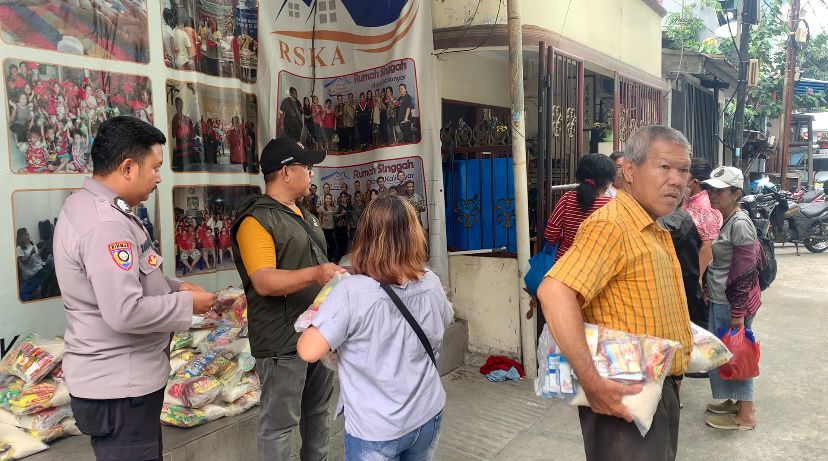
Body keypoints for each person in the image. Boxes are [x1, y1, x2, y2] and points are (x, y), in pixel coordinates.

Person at [52, 116, 216, 461]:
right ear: (128, 167)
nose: (158, 177)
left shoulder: (90, 206)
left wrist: (174, 286)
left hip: (118, 385)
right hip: (120, 390)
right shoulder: (106, 225)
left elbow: (130, 278)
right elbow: (124, 311)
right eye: (155, 167)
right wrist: (186, 304)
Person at [537, 126, 693, 461]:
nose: (677, 180)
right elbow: (554, 292)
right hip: (623, 398)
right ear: (630, 171)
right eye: (664, 167)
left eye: (683, 170)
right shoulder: (612, 225)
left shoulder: (650, 225)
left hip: (654, 389)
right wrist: (591, 381)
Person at [297, 195, 453, 461]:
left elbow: (308, 350)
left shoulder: (350, 291)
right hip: (428, 412)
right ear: (414, 236)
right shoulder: (431, 282)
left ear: (366, 238)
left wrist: (320, 306)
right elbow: (445, 321)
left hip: (376, 429)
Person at [230, 138, 342, 460]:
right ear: (285, 172)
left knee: (318, 412)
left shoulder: (305, 215)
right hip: (282, 342)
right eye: (306, 166)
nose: (311, 173)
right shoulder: (256, 220)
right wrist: (315, 274)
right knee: (280, 425)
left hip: (316, 333)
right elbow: (263, 280)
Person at [703, 166, 761, 431]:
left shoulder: (739, 224)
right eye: (711, 189)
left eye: (720, 190)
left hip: (731, 304)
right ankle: (737, 403)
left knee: (738, 353)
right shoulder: (728, 218)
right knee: (725, 354)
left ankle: (746, 414)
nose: (712, 194)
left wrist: (738, 313)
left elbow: (745, 273)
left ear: (736, 193)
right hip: (723, 299)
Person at [543, 153, 615, 260]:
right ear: (608, 181)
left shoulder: (567, 198)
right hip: (597, 262)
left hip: (565, 261)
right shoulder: (611, 205)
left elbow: (550, 234)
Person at [685, 158, 723, 289]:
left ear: (695, 182)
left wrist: (698, 277)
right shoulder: (688, 200)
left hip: (698, 268)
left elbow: (708, 245)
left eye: (685, 173)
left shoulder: (705, 207)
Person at [171, 97, 195, 171]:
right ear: (175, 106)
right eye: (178, 104)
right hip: (180, 152)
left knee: (191, 170)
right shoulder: (175, 119)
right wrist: (177, 124)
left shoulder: (187, 119)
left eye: (181, 104)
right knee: (182, 170)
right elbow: (173, 135)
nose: (180, 106)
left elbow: (193, 135)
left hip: (189, 150)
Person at [334, 194, 352, 262]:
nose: (343, 198)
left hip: (345, 228)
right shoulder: (338, 206)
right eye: (342, 197)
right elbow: (335, 216)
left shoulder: (348, 206)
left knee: (345, 245)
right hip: (339, 228)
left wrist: (348, 225)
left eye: (344, 196)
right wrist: (342, 214)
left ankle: (343, 261)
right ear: (340, 198)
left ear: (346, 198)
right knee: (339, 245)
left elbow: (349, 217)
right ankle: (338, 260)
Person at [319, 193, 336, 260]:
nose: (328, 200)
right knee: (326, 245)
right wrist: (320, 228)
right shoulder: (321, 208)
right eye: (327, 198)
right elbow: (319, 218)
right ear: (324, 199)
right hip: (324, 229)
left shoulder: (333, 208)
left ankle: (331, 258)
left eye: (329, 198)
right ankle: (326, 259)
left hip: (331, 229)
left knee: (332, 245)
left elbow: (335, 217)